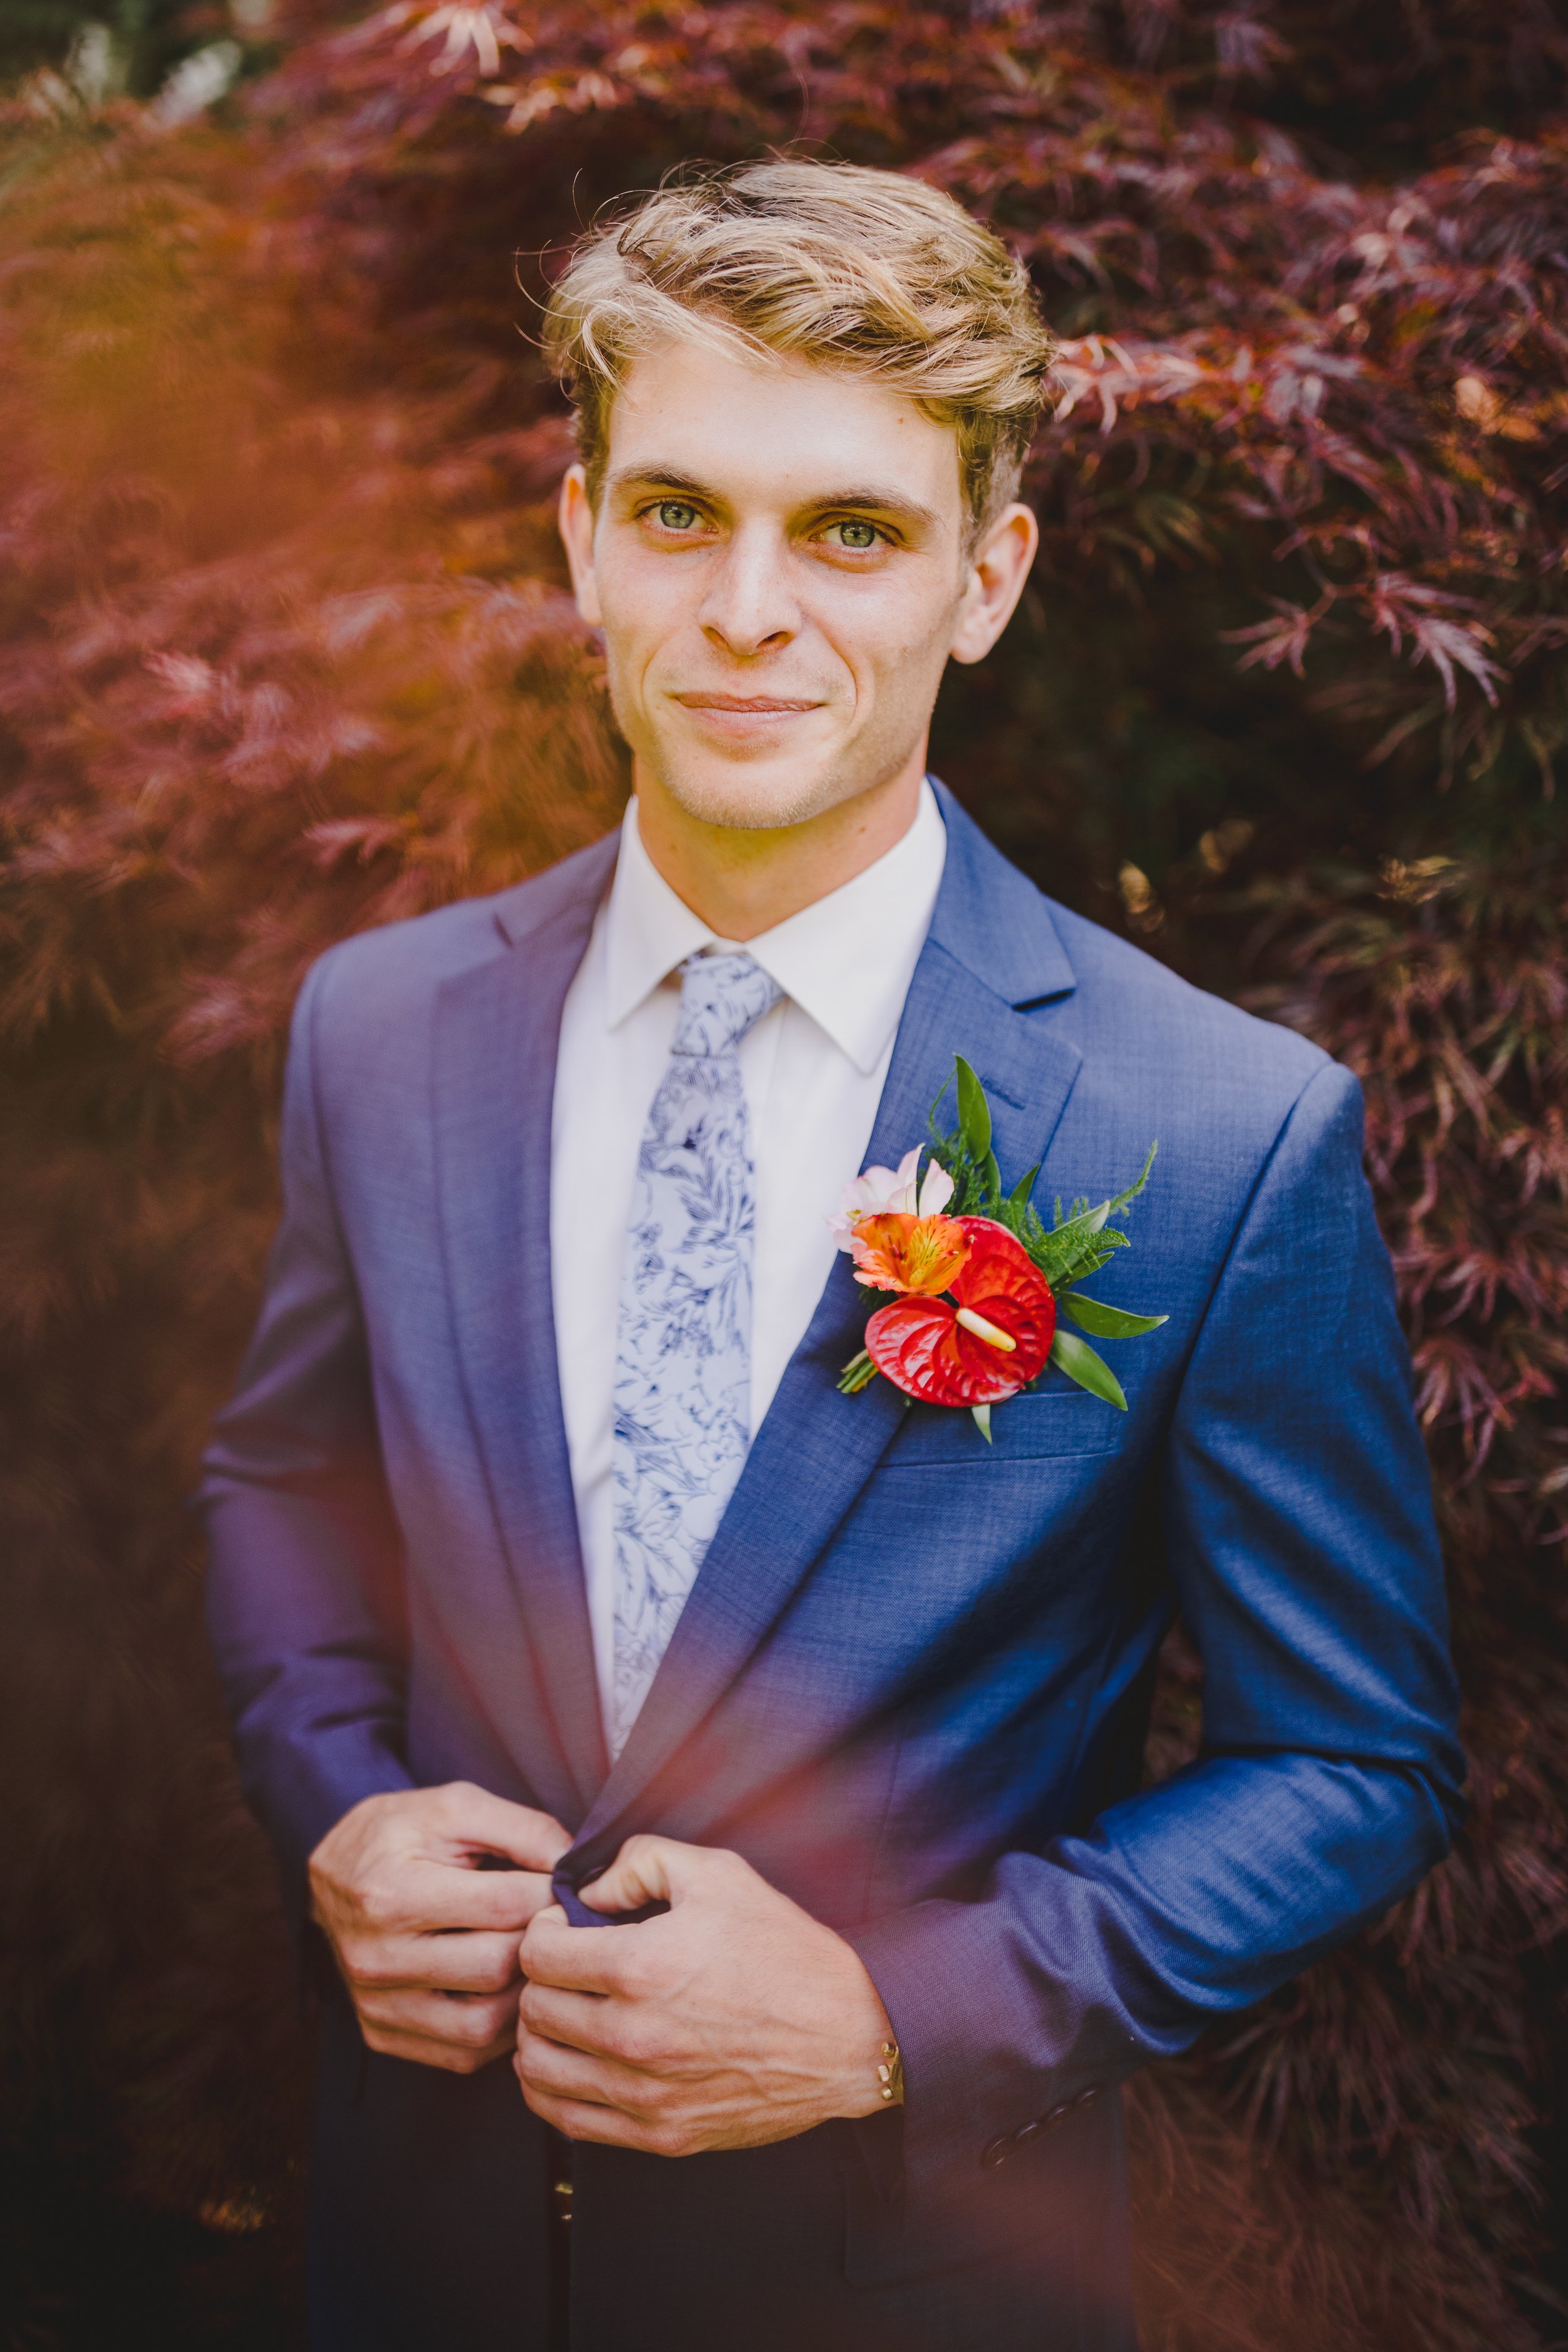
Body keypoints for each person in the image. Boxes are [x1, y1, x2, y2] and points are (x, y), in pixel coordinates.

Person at [201, 159, 1463, 2352]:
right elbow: (288, 1486)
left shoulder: (1214, 1130)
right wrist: (344, 1810)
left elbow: (1347, 1764)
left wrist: (896, 2018)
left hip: (903, 2282)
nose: (748, 607)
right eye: (680, 512)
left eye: (852, 532)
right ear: (582, 537)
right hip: (420, 2254)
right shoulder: (377, 1027)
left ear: (985, 580)